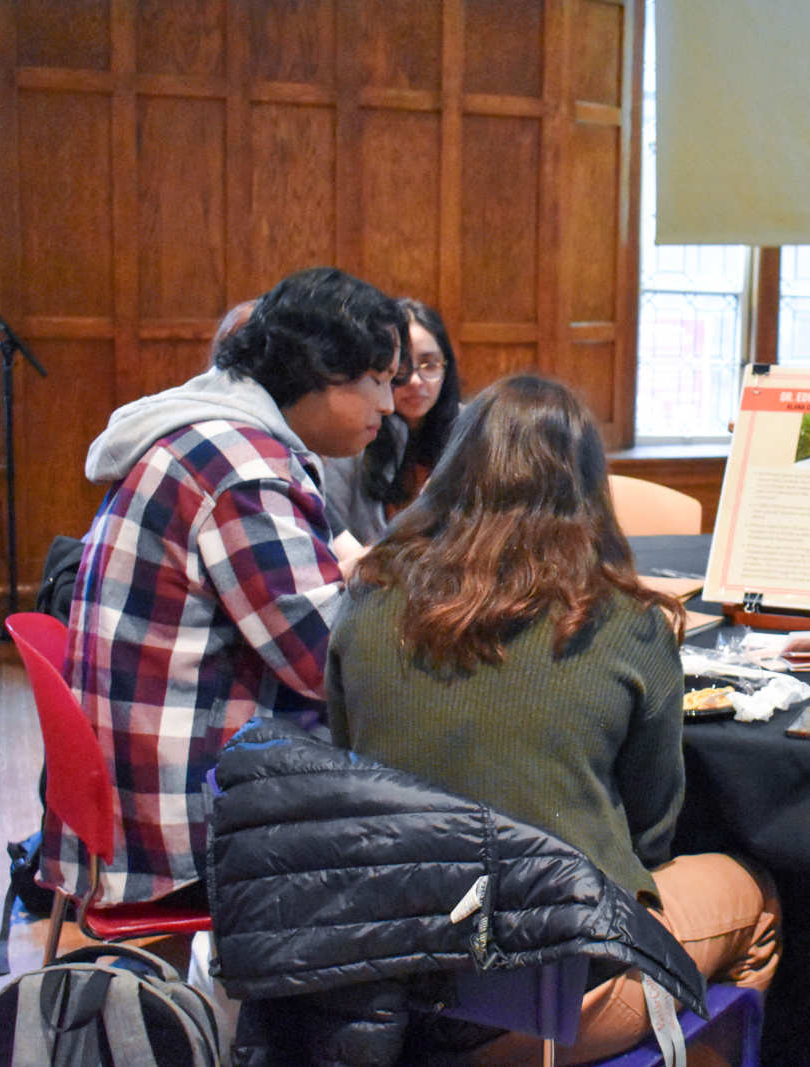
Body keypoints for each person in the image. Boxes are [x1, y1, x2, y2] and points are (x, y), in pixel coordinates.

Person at [326, 374, 779, 1063]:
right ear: (588, 487)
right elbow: (652, 833)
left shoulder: (364, 604)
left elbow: (348, 762)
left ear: (453, 472)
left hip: (385, 984)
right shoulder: (627, 623)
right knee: (758, 897)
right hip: (550, 998)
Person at [40, 266, 408, 908]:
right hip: (181, 818)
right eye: (374, 379)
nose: (388, 404)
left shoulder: (208, 434)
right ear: (314, 371)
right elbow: (328, 662)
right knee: (443, 814)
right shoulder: (241, 470)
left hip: (143, 787)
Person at [323, 297, 461, 544]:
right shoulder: (349, 436)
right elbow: (331, 531)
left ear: (446, 367)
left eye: (429, 364)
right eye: (402, 367)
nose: (416, 382)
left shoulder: (472, 429)